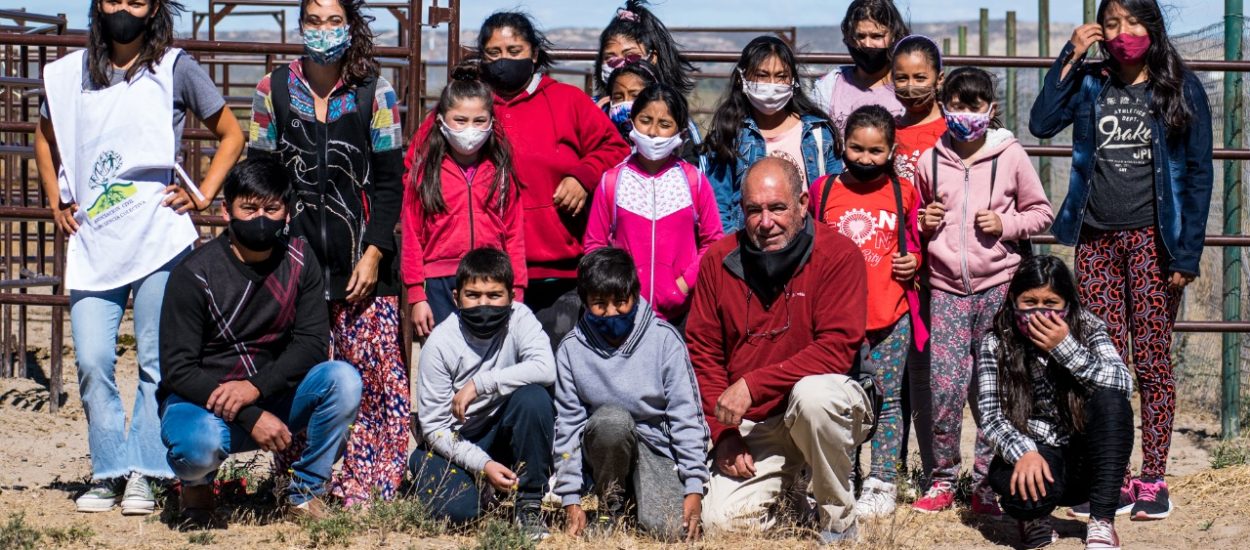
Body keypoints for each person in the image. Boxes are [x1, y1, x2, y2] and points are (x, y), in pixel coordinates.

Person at [34, 0, 244, 515]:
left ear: (153, 9)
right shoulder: (69, 75)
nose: (123, 8)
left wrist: (202, 194)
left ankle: (144, 473)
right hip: (95, 240)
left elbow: (231, 133)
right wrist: (55, 199)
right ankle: (107, 469)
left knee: (155, 361)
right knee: (92, 358)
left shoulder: (175, 67)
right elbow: (45, 137)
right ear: (98, 5)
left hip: (156, 237)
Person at [1028, 0, 1213, 521]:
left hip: (1154, 246)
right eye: (1111, 23)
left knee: (1152, 363)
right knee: (1105, 364)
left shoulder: (1178, 87)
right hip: (1096, 241)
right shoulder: (1091, 80)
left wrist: (1188, 253)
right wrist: (1069, 54)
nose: (1122, 32)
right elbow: (1041, 121)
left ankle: (1153, 479)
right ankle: (1111, 476)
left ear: (1151, 27)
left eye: (1133, 21)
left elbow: (1199, 174)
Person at [246, 0, 407, 507]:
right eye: (313, 21)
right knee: (304, 377)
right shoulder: (271, 91)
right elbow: (260, 176)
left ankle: (365, 488)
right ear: (301, 26)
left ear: (349, 25)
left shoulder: (373, 92)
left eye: (333, 20)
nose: (322, 30)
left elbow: (389, 182)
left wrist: (376, 252)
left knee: (376, 382)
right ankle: (301, 484)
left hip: (363, 269)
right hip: (294, 271)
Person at [406, 11, 631, 347]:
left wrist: (583, 177)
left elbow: (614, 147)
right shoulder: (470, 108)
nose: (503, 61)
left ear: (534, 54)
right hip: (487, 278)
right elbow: (416, 163)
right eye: (494, 53)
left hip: (558, 270)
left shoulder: (566, 100)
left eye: (514, 51)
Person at [158, 158, 362, 525]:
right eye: (248, 209)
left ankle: (305, 493)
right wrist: (249, 415)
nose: (261, 219)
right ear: (226, 211)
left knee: (343, 380)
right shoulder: (194, 275)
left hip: (271, 395)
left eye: (272, 208)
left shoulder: (300, 260)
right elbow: (178, 369)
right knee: (199, 445)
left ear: (288, 213)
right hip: (203, 401)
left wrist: (254, 389)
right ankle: (197, 487)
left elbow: (313, 343)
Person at [687, 157, 873, 543]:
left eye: (777, 207)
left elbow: (836, 350)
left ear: (803, 203)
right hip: (760, 423)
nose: (765, 221)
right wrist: (724, 433)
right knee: (724, 523)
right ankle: (792, 496)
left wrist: (752, 385)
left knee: (813, 396)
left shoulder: (838, 255)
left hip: (829, 408)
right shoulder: (718, 261)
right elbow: (703, 353)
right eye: (754, 210)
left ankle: (837, 521)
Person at [913, 67, 1055, 515]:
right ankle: (941, 478)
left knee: (996, 388)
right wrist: (924, 223)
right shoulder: (929, 161)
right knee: (944, 387)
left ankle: (986, 484)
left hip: (998, 287)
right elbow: (916, 217)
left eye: (974, 105)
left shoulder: (1011, 155)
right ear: (944, 106)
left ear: (990, 110)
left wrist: (1007, 224)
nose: (965, 114)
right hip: (946, 290)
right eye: (956, 104)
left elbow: (1041, 212)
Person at [808, 105, 925, 517]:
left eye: (876, 151)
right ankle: (843, 475)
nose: (865, 158)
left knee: (888, 401)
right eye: (856, 148)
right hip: (836, 321)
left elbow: (915, 242)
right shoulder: (822, 191)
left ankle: (883, 481)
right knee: (840, 399)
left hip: (889, 316)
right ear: (843, 144)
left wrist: (916, 262)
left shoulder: (904, 192)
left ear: (892, 150)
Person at [552, 248, 709, 542]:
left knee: (671, 532)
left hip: (656, 447)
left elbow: (685, 416)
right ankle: (610, 508)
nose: (611, 312)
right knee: (612, 420)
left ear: (635, 295)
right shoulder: (571, 350)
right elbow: (568, 426)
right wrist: (569, 498)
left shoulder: (665, 339)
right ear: (584, 302)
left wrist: (694, 487)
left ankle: (638, 501)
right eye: (599, 304)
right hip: (603, 447)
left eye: (621, 302)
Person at [977, 256, 1134, 550]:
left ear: (1068, 304)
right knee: (1021, 494)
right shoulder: (996, 341)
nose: (1039, 312)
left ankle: (1102, 521)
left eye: (1051, 303)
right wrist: (1023, 452)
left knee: (1112, 403)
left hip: (1082, 457)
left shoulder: (1087, 327)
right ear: (1014, 301)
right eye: (1029, 302)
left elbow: (1122, 384)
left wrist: (1065, 348)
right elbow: (991, 415)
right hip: (1034, 452)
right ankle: (1034, 519)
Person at [408, 248, 556, 540]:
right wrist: (483, 465)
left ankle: (528, 505)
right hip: (454, 440)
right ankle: (454, 477)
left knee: (534, 399)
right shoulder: (440, 344)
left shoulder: (520, 319)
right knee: (457, 513)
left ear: (511, 297)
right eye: (473, 295)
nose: (484, 304)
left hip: (501, 431)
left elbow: (545, 368)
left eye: (494, 295)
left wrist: (480, 384)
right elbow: (435, 428)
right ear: (456, 298)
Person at [403, 61, 527, 336]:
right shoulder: (425, 172)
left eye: (479, 121)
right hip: (439, 284)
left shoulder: (501, 171)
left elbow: (515, 234)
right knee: (444, 361)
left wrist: (517, 289)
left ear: (491, 122)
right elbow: (412, 233)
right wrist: (417, 295)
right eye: (460, 120)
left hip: (491, 282)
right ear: (441, 121)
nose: (469, 129)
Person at [584, 83, 724, 324]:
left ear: (680, 132)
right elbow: (594, 244)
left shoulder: (694, 181)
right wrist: (614, 290)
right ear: (632, 122)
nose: (652, 132)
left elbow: (713, 242)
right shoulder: (612, 181)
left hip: (680, 315)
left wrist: (682, 285)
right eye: (645, 120)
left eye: (665, 124)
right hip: (622, 315)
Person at [704, 36, 840, 234]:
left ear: (793, 80)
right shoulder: (730, 135)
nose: (772, 84)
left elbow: (834, 201)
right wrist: (732, 253)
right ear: (743, 78)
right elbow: (718, 204)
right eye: (762, 75)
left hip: (810, 249)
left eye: (781, 76)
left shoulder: (819, 134)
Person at [889, 32, 947, 491]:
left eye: (919, 77)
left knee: (940, 375)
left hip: (943, 268)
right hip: (899, 267)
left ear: (938, 79)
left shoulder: (951, 132)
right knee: (906, 371)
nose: (909, 86)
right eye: (901, 77)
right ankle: (910, 471)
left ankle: (946, 473)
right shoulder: (887, 133)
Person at [594, 1, 707, 172]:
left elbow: (697, 173)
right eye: (611, 58)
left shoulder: (674, 115)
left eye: (631, 56)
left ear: (652, 58)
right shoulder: (593, 110)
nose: (621, 65)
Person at [812, 0, 909, 135]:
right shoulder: (829, 87)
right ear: (848, 37)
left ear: (894, 36)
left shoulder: (908, 87)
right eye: (860, 36)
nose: (867, 44)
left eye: (877, 36)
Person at [603, 59, 659, 141]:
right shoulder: (604, 138)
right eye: (618, 97)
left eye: (635, 96)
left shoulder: (662, 140)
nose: (626, 102)